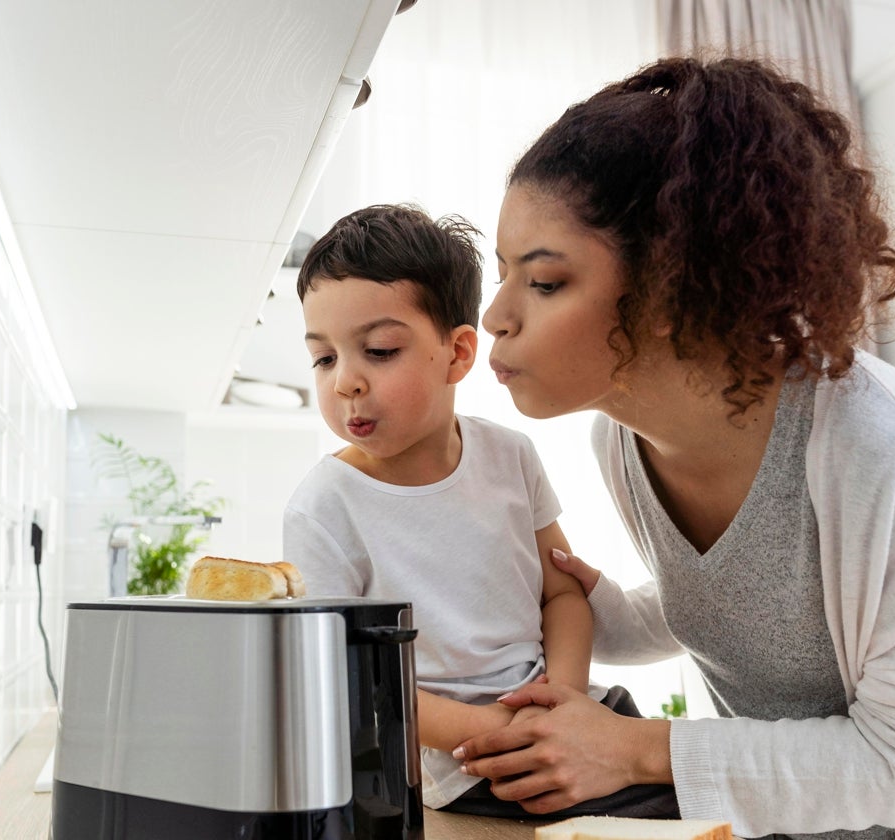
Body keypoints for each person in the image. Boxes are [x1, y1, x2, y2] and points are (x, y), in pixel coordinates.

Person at [455, 56, 895, 839]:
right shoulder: (623, 442)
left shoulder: (872, 446)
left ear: (669, 283)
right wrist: (575, 600)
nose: (495, 315)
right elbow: (751, 604)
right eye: (502, 275)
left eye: (546, 282)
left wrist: (636, 750)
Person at [281, 204, 679, 818]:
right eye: (325, 358)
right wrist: (494, 728)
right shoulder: (324, 507)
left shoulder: (509, 454)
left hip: (574, 711)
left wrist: (563, 700)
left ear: (459, 353)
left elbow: (563, 594)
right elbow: (351, 683)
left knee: (717, 808)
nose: (345, 383)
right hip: (472, 764)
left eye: (379, 350)